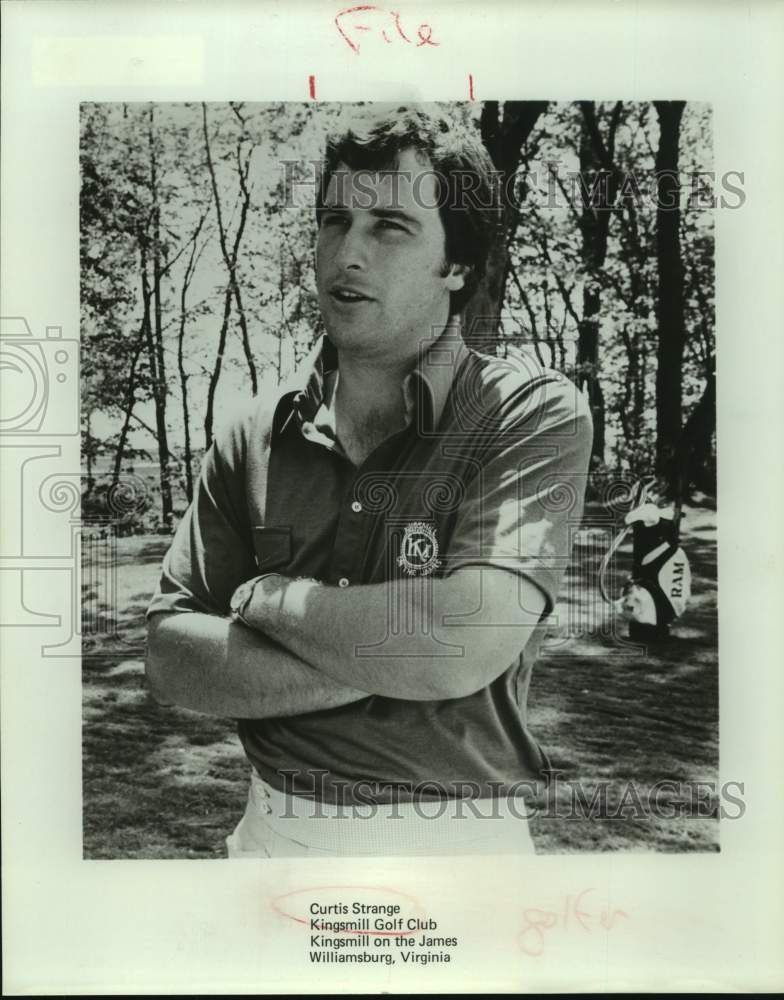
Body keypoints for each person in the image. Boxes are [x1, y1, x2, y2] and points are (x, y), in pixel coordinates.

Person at [145, 105, 593, 858]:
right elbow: (171, 654)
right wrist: (386, 659)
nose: (346, 252)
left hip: (458, 850)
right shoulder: (254, 431)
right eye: (333, 220)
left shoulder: (529, 413)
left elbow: (462, 641)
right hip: (272, 837)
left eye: (390, 225)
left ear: (457, 264)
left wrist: (266, 601)